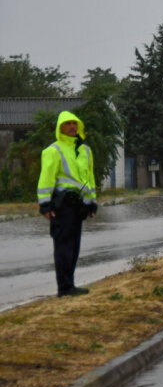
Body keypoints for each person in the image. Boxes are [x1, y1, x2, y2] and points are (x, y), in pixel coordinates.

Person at [37, 111, 98, 297]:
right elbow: (46, 179)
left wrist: (91, 203)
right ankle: (64, 288)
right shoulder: (53, 150)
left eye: (75, 123)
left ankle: (70, 285)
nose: (72, 126)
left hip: (78, 206)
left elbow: (89, 178)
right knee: (63, 247)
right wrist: (45, 205)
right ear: (60, 128)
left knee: (74, 246)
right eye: (68, 124)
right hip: (62, 206)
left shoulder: (85, 150)